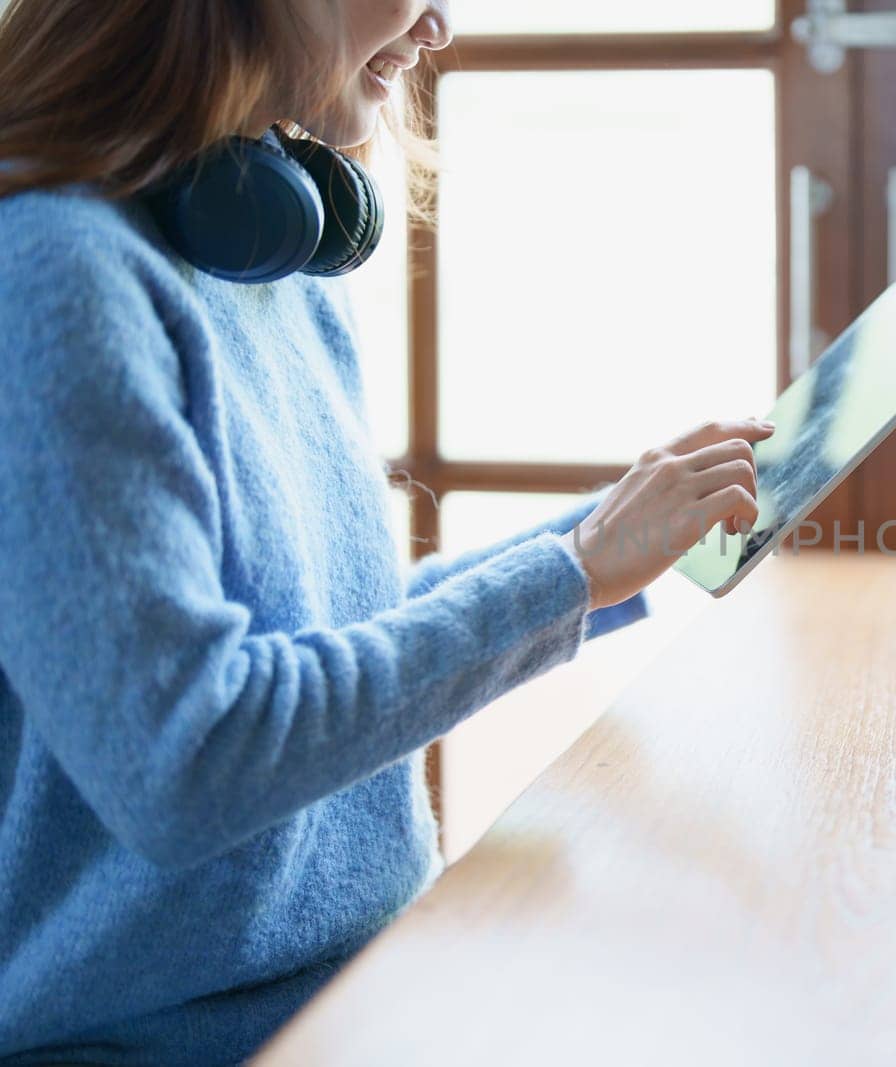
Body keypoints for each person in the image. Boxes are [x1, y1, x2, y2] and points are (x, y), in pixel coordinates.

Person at [0, 0, 772, 1061]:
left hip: (361, 986)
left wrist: (613, 546)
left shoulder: (261, 253)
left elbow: (324, 637)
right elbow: (191, 761)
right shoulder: (53, 275)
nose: (440, 25)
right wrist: (573, 575)